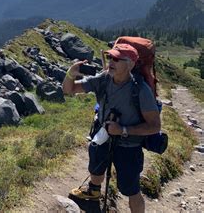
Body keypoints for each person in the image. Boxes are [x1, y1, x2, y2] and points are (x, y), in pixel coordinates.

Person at [62, 43, 161, 213]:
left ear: (130, 64)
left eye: (117, 59)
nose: (111, 62)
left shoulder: (140, 90)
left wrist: (123, 130)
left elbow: (154, 126)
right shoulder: (103, 79)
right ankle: (93, 191)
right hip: (103, 135)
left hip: (129, 146)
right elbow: (68, 89)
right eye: (110, 57)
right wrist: (71, 73)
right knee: (96, 168)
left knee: (131, 190)